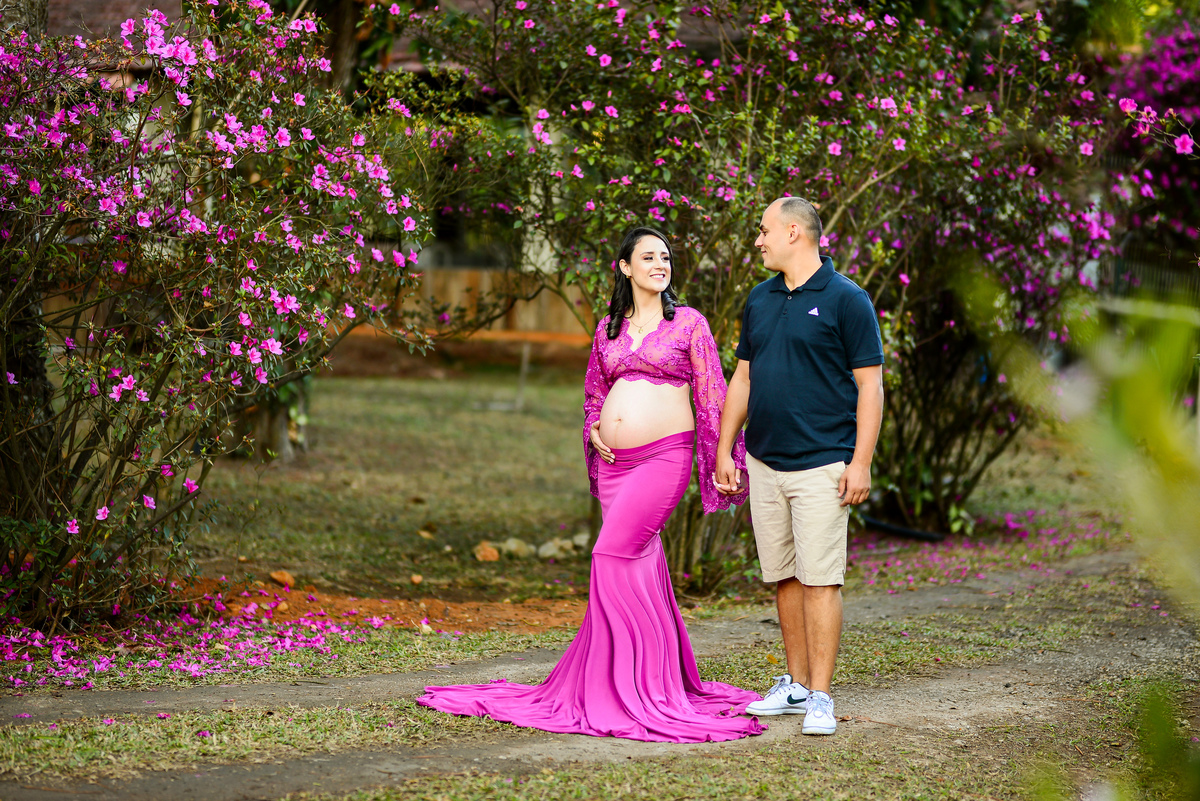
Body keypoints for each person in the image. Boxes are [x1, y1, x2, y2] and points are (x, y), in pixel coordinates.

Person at [418, 226, 765, 743]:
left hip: (663, 459)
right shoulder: (608, 328)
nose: (659, 265)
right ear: (624, 267)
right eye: (647, 257)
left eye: (665, 258)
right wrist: (596, 427)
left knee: (610, 555)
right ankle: (648, 676)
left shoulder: (689, 323)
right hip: (615, 467)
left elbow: (713, 392)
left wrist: (722, 454)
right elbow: (593, 395)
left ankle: (621, 685)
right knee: (639, 563)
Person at [714, 197, 884, 736]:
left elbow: (871, 386)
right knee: (784, 576)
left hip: (823, 465)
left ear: (794, 233)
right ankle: (793, 684)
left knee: (821, 579)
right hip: (765, 462)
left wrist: (861, 463)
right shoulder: (759, 300)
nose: (758, 240)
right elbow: (742, 378)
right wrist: (726, 447)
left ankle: (821, 697)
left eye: (764, 231)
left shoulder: (847, 300)